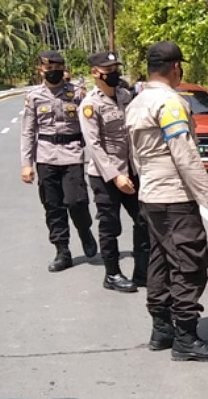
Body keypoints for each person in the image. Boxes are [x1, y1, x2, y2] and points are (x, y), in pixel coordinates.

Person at [124, 41, 208, 362]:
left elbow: (134, 156)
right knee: (189, 264)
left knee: (160, 261)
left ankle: (162, 329)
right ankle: (185, 338)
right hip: (175, 197)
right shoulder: (170, 103)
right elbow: (184, 153)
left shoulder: (137, 102)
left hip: (151, 195)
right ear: (176, 67)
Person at [21, 50, 97, 272]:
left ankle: (84, 230)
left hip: (72, 153)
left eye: (57, 69)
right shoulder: (34, 97)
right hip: (46, 156)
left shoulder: (77, 93)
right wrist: (26, 164)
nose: (53, 72)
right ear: (40, 70)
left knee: (76, 201)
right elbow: (28, 131)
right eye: (49, 69)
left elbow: (89, 125)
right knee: (53, 206)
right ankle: (62, 251)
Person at [78, 51, 149, 293]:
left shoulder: (125, 96)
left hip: (131, 170)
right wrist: (115, 176)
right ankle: (112, 274)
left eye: (115, 69)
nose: (113, 74)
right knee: (110, 225)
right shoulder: (90, 104)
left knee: (143, 219)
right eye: (108, 70)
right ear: (95, 73)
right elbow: (94, 145)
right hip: (105, 176)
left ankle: (142, 272)